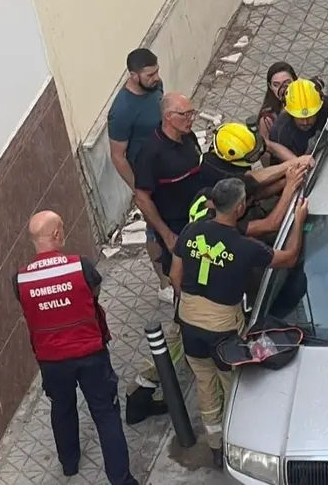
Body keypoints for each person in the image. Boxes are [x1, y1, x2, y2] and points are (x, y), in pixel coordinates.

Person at [170, 178, 309, 469]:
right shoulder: (246, 247)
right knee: (233, 387)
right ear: (241, 207)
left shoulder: (191, 231)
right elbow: (291, 257)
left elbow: (175, 278)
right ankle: (240, 444)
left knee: (205, 386)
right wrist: (298, 221)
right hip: (222, 330)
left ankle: (216, 447)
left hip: (189, 323)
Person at [12, 211, 139, 485]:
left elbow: (29, 311)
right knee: (106, 414)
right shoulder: (79, 266)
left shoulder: (20, 280)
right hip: (90, 353)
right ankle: (121, 480)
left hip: (51, 360)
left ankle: (69, 464)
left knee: (61, 407)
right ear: (57, 234)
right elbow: (94, 293)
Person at [127, 92, 211, 423]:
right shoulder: (151, 153)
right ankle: (144, 386)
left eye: (193, 111)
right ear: (168, 117)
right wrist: (165, 234)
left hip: (198, 228)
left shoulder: (187, 138)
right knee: (182, 319)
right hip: (176, 238)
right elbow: (142, 198)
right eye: (185, 113)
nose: (192, 118)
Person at [107, 48, 173, 305]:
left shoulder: (154, 87)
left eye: (157, 72)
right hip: (148, 179)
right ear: (134, 76)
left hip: (170, 164)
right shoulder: (121, 111)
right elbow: (117, 155)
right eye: (150, 74)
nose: (156, 78)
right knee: (155, 230)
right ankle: (164, 283)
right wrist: (139, 189)